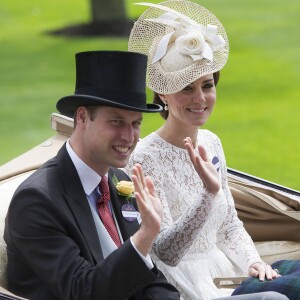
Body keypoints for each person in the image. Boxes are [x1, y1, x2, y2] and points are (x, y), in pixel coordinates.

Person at [126, 1, 281, 300]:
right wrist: (207, 195)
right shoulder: (144, 156)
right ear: (163, 94)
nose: (200, 98)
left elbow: (229, 226)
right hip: (186, 285)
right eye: (186, 88)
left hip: (227, 273)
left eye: (207, 85)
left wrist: (254, 262)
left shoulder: (211, 142)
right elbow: (165, 251)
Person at [4, 50, 181, 300]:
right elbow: (83, 292)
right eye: (116, 122)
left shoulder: (120, 181)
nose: (130, 138)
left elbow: (151, 278)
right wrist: (144, 237)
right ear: (83, 117)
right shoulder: (36, 201)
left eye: (136, 123)